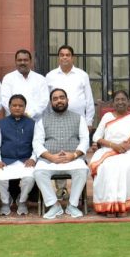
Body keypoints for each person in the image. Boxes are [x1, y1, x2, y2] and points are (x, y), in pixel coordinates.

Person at [90, 90, 130, 217]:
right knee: (105, 167)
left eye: (123, 99)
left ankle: (122, 206)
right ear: (113, 103)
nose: (120, 102)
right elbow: (96, 137)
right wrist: (114, 146)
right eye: (117, 100)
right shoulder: (107, 117)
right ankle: (108, 206)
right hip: (108, 150)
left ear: (128, 102)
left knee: (126, 167)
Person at [33, 89, 90, 219]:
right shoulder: (43, 120)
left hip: (73, 159)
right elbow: (37, 143)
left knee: (82, 169)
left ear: (67, 100)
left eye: (62, 97)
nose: (59, 100)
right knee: (38, 172)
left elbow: (85, 139)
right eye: (55, 98)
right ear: (51, 102)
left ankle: (72, 205)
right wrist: (50, 157)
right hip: (49, 160)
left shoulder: (78, 118)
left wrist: (74, 155)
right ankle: (54, 205)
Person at [0, 94, 37, 216]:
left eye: (20, 106)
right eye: (14, 105)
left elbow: (37, 145)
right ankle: (6, 201)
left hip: (25, 160)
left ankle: (22, 201)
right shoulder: (0, 124)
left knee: (30, 177)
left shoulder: (32, 124)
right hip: (6, 161)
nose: (17, 108)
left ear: (25, 107)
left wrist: (33, 159)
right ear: (9, 107)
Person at [46, 44, 95, 126]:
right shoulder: (50, 76)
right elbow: (47, 101)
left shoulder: (82, 75)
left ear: (73, 58)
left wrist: (89, 121)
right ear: (59, 58)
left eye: (67, 55)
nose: (64, 57)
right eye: (62, 55)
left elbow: (89, 100)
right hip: (56, 121)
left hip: (79, 121)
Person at [0, 49, 49, 121]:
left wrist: (30, 114)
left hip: (36, 121)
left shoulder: (40, 79)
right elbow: (5, 100)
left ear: (30, 61)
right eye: (19, 60)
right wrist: (19, 114)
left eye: (25, 60)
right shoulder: (8, 78)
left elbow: (44, 101)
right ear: (15, 62)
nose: (22, 62)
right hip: (14, 121)